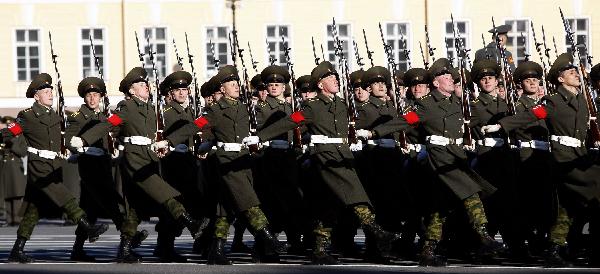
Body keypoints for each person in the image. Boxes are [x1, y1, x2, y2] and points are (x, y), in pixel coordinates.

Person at [252, 61, 400, 265]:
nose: (336, 80)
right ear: (321, 85)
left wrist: (357, 138)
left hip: (342, 155)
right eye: (330, 78)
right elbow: (291, 121)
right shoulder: (313, 106)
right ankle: (377, 232)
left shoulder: (341, 104)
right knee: (356, 194)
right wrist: (260, 137)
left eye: (335, 77)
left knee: (327, 205)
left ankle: (319, 250)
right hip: (325, 157)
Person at [74, 67, 209, 263]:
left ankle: (125, 249)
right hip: (134, 159)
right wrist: (84, 140)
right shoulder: (126, 108)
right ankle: (190, 223)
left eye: (145, 83)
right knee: (165, 193)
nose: (145, 86)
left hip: (150, 158)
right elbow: (108, 125)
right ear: (131, 91)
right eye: (140, 84)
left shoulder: (150, 108)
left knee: (135, 207)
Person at [482, 53, 600, 267]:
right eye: (569, 72)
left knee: (569, 204)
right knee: (594, 187)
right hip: (563, 157)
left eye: (575, 71)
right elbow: (531, 115)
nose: (575, 74)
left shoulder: (582, 99)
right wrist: (501, 126)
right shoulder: (553, 101)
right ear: (560, 80)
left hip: (580, 156)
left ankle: (559, 247)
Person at [6, 73, 108, 263]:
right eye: (46, 91)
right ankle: (87, 226)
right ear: (36, 96)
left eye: (51, 91)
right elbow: (11, 133)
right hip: (39, 167)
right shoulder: (27, 116)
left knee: (33, 211)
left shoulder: (55, 114)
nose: (50, 94)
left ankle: (17, 249)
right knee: (65, 197)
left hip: (53, 165)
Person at [65, 77, 148, 262]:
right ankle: (128, 238)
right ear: (84, 98)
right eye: (89, 95)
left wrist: (118, 147)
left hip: (103, 164)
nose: (93, 98)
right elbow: (69, 141)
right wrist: (80, 149)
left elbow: (117, 134)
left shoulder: (105, 117)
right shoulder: (77, 118)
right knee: (112, 201)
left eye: (96, 94)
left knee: (91, 208)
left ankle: (77, 250)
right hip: (88, 164)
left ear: (101, 96)